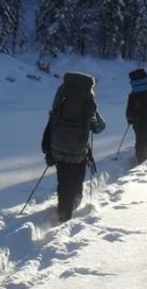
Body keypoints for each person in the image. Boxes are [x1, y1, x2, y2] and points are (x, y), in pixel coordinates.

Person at [42, 72, 106, 221]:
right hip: (78, 152)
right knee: (76, 181)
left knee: (63, 181)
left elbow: (52, 122)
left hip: (57, 149)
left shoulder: (61, 97)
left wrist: (48, 150)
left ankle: (63, 210)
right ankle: (73, 205)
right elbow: (99, 128)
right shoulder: (88, 100)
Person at [125, 68, 147, 164]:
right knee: (145, 137)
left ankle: (139, 157)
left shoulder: (133, 93)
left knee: (139, 138)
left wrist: (129, 118)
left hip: (136, 119)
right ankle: (145, 158)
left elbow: (129, 106)